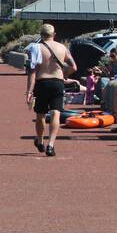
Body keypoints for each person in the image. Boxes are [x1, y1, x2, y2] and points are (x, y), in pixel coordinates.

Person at [25, 23, 76, 157]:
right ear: (54, 35)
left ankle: (40, 140)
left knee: (40, 115)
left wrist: (29, 91)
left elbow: (32, 72)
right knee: (55, 113)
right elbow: (74, 67)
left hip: (42, 82)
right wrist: (65, 74)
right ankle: (51, 145)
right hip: (57, 82)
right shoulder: (62, 48)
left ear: (41, 35)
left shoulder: (36, 48)